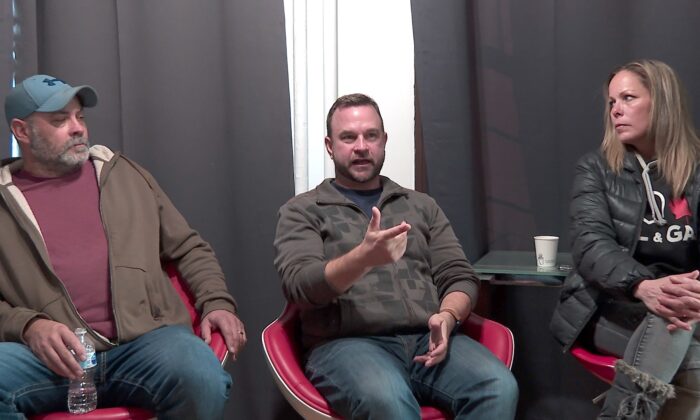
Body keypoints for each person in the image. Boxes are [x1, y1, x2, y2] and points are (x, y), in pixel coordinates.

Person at [0, 74, 246, 419]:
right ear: (22, 131)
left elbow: (188, 247)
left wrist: (217, 302)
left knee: (200, 375)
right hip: (46, 360)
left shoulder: (124, 175)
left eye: (80, 117)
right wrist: (28, 326)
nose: (77, 128)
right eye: (59, 120)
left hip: (141, 345)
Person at [273, 93, 518, 419]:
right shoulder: (302, 210)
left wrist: (447, 317)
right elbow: (300, 286)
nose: (361, 146)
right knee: (388, 400)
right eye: (349, 137)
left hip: (426, 340)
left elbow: (459, 275)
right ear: (330, 146)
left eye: (370, 135)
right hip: (347, 346)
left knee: (498, 386)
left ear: (384, 141)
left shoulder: (420, 205)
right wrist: (362, 257)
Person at [550, 59, 700, 419]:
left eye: (628, 98)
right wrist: (646, 287)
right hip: (610, 307)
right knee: (673, 323)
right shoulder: (597, 169)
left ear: (662, 102)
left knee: (679, 326)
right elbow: (590, 247)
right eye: (612, 102)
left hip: (691, 308)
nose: (616, 109)